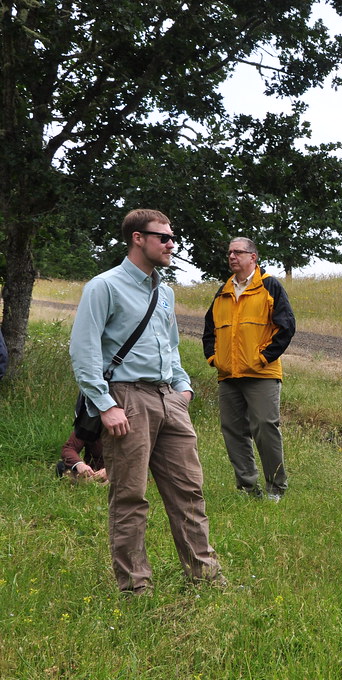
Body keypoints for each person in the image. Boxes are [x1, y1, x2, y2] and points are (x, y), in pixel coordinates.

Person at [69, 208, 223, 596]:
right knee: (130, 496)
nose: (172, 245)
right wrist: (106, 404)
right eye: (164, 238)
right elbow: (84, 350)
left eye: (173, 238)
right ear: (138, 238)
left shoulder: (164, 291)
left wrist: (183, 389)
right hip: (127, 398)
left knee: (189, 492)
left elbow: (170, 347)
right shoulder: (104, 287)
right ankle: (136, 588)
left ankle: (205, 578)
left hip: (169, 398)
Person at [203, 237, 295, 502]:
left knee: (265, 427)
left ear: (253, 257)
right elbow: (209, 331)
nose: (232, 256)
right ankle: (247, 488)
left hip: (261, 373)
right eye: (229, 252)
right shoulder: (223, 291)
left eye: (238, 252)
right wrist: (214, 359)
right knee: (233, 431)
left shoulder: (269, 286)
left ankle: (275, 488)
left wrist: (263, 357)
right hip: (228, 375)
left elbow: (286, 326)